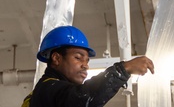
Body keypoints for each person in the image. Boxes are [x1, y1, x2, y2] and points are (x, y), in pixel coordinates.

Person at [22, 25, 154, 107]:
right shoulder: (48, 89)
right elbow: (83, 97)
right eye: (78, 58)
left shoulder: (47, 93)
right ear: (56, 58)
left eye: (87, 61)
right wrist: (124, 69)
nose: (85, 66)